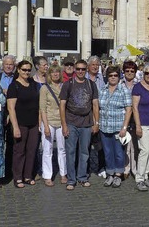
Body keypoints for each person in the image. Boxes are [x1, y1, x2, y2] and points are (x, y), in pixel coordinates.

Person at [60, 59, 100, 190]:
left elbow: (95, 104)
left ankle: (82, 177)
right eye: (78, 69)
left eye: (83, 69)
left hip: (86, 123)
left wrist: (96, 123)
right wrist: (64, 125)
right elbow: (62, 105)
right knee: (70, 152)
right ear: (75, 70)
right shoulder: (68, 84)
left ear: (86, 69)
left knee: (84, 152)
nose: (80, 71)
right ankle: (71, 179)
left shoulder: (91, 84)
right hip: (71, 122)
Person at [7, 60, 40, 188]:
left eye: (28, 70)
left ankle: (28, 175)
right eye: (24, 70)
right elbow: (11, 108)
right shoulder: (14, 86)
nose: (26, 72)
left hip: (33, 122)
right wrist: (15, 126)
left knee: (32, 150)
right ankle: (18, 177)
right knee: (19, 151)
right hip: (20, 122)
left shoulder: (33, 84)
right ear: (18, 70)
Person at [98, 65, 132, 188]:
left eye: (115, 75)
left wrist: (124, 127)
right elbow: (98, 107)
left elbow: (129, 110)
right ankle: (110, 173)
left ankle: (118, 175)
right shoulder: (102, 89)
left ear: (119, 77)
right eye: (110, 75)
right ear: (107, 76)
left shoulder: (124, 90)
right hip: (104, 126)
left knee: (118, 152)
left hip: (118, 127)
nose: (113, 77)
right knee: (107, 152)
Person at [39, 64, 67, 186]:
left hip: (61, 122)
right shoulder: (44, 88)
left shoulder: (64, 87)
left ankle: (63, 173)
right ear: (49, 75)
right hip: (48, 121)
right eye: (53, 72)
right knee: (47, 149)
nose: (55, 74)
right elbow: (42, 108)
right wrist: (45, 126)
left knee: (62, 149)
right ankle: (47, 175)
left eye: (57, 72)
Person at [121, 60, 139, 179]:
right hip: (123, 117)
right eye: (127, 71)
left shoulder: (139, 85)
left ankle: (135, 169)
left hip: (136, 118)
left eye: (132, 71)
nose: (129, 73)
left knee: (135, 145)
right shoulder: (119, 84)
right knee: (124, 145)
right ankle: (125, 168)